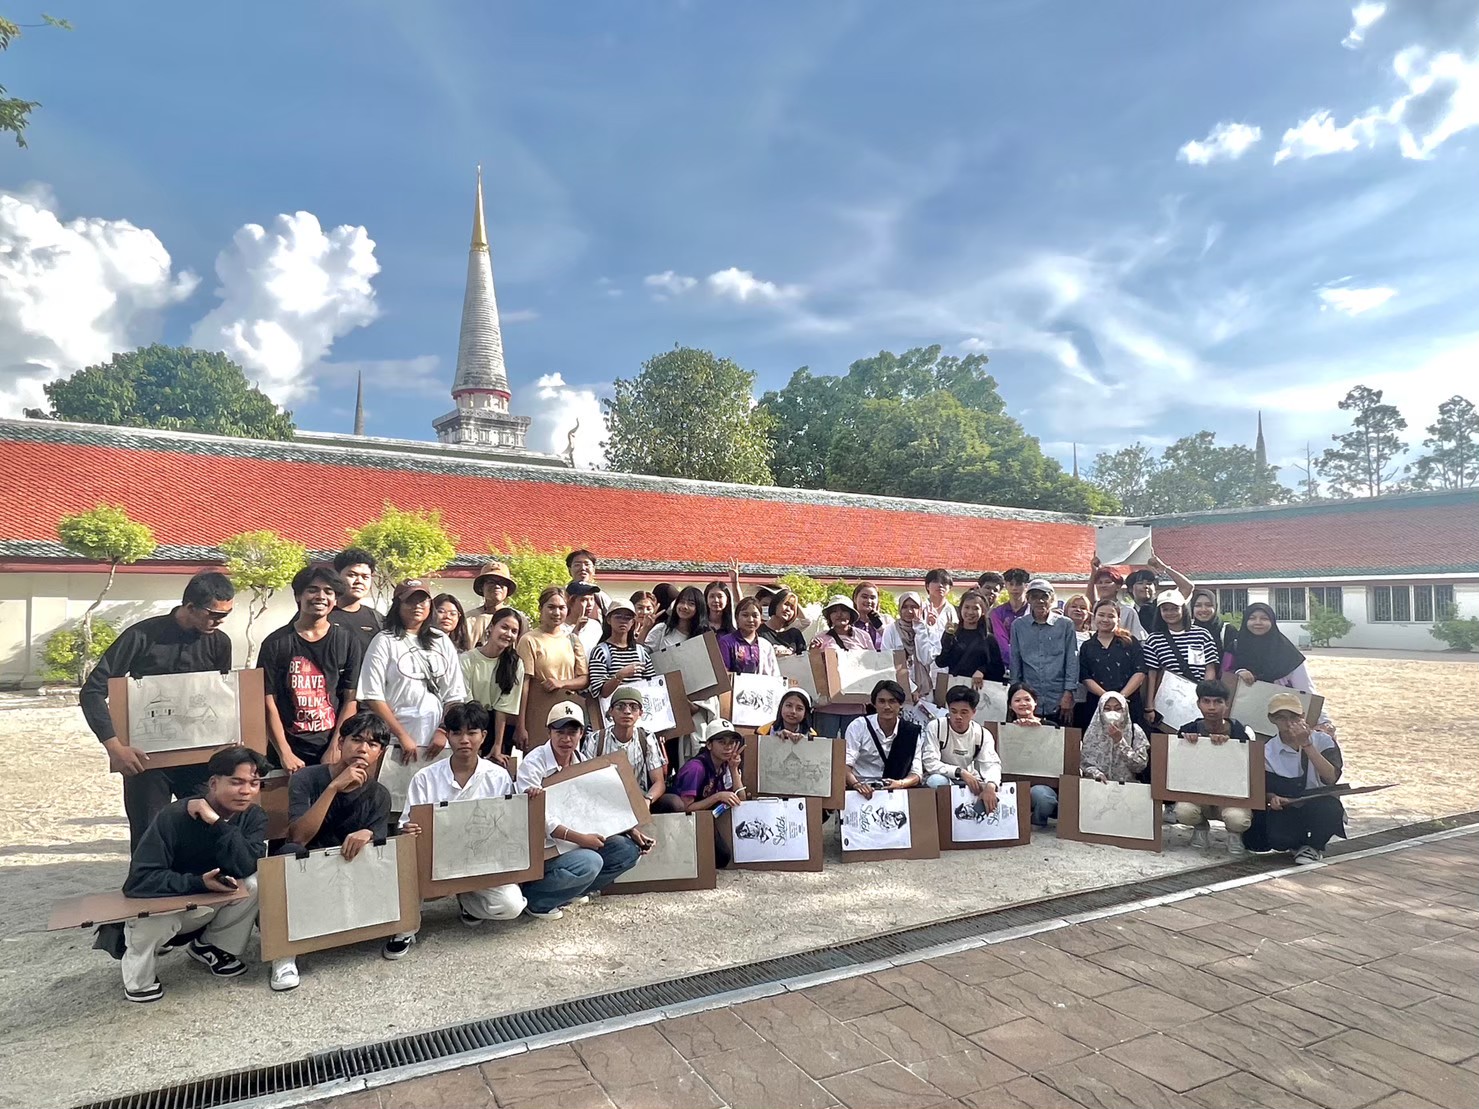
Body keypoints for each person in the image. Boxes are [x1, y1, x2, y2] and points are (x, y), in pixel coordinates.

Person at [80, 570, 236, 852]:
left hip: (198, 757)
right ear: (190, 607)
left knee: (207, 833)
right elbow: (92, 692)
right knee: (148, 838)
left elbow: (219, 696)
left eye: (226, 614)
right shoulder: (142, 635)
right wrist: (115, 748)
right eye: (214, 614)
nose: (220, 620)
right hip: (146, 758)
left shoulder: (220, 642)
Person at [115, 745, 268, 1003]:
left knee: (259, 880)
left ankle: (211, 945)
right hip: (171, 906)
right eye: (236, 782)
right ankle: (139, 976)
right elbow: (139, 881)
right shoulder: (174, 816)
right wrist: (198, 883)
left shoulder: (253, 816)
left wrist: (216, 823)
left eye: (254, 784)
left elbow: (247, 865)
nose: (246, 791)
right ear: (213, 783)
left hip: (211, 902)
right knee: (151, 918)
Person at [275, 711, 398, 990]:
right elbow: (299, 836)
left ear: (380, 752)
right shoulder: (306, 778)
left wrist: (369, 834)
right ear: (341, 742)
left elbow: (381, 849)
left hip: (351, 872)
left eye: (372, 744)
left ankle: (396, 930)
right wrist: (333, 788)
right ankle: (283, 956)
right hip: (310, 870)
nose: (363, 749)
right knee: (288, 853)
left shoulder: (379, 794)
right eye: (356, 740)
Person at [391, 703, 526, 948]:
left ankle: (469, 902)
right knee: (408, 866)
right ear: (449, 736)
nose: (464, 740)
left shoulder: (498, 777)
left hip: (480, 860)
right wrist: (408, 830)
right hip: (434, 859)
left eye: (472, 732)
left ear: (483, 736)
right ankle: (406, 928)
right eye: (457, 733)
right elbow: (405, 824)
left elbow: (507, 826)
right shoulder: (425, 778)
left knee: (510, 905)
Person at [516, 701, 648, 918]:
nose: (566, 739)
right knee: (590, 862)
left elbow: (598, 805)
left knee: (627, 851)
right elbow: (539, 817)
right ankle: (537, 900)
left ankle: (572, 891)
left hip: (578, 840)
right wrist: (580, 839)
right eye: (559, 732)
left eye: (572, 732)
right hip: (545, 847)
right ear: (549, 732)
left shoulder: (582, 762)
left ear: (581, 734)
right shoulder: (532, 764)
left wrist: (630, 830)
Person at [259, 564, 363, 772]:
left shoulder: (347, 641)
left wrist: (336, 746)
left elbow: (350, 698)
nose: (321, 596)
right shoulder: (276, 643)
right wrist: (284, 753)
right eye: (312, 590)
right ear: (298, 596)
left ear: (335, 599)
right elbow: (267, 700)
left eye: (329, 592)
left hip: (330, 747)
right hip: (288, 751)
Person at [358, 579, 467, 768]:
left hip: (438, 743)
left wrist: (443, 730)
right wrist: (401, 735)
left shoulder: (441, 640)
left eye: (422, 601)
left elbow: (454, 695)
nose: (417, 606)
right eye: (410, 601)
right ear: (398, 605)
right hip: (396, 741)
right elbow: (373, 696)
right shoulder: (383, 641)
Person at [1244, 692, 1345, 864]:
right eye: (1282, 718)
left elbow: (1331, 778)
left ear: (1303, 716)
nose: (1289, 723)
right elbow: (1266, 788)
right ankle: (1298, 844)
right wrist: (1273, 798)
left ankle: (1315, 846)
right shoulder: (1268, 751)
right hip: (1289, 806)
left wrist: (1307, 745)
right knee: (1277, 839)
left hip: (1319, 802)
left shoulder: (1323, 741)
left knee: (1330, 809)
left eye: (1294, 717)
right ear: (1272, 719)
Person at [1172, 681, 1255, 854]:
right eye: (1206, 701)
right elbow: (1178, 767)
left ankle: (1234, 834)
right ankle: (1201, 827)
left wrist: (1228, 747)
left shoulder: (1239, 732)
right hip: (1198, 794)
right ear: (1198, 703)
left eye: (1218, 702)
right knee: (1183, 811)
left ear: (1226, 704)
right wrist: (1189, 745)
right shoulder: (1188, 729)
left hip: (1230, 796)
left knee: (1238, 819)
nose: (1212, 707)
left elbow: (1247, 769)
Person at [584, 685, 681, 812]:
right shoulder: (595, 739)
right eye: (620, 706)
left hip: (638, 799)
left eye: (633, 707)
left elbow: (659, 782)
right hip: (603, 800)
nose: (627, 711)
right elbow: (585, 780)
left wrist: (648, 800)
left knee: (674, 803)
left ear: (640, 713)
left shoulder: (646, 737)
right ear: (611, 711)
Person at [516, 587, 589, 753]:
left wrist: (561, 683)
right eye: (551, 607)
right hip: (538, 710)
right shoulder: (529, 640)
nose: (556, 612)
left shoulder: (572, 639)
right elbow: (523, 685)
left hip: (567, 709)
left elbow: (583, 679)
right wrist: (521, 725)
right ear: (541, 609)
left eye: (561, 608)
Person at [673, 719, 747, 867]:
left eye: (731, 742)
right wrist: (718, 796)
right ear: (709, 745)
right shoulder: (696, 768)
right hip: (681, 822)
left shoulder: (725, 765)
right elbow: (685, 808)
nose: (728, 747)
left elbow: (741, 798)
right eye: (722, 742)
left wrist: (733, 768)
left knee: (723, 858)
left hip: (706, 818)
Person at [1143, 589, 1220, 732]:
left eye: (1174, 608)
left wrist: (1205, 696)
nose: (1170, 613)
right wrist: (1150, 706)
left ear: (1183, 609)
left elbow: (1210, 669)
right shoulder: (1153, 640)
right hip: (1167, 701)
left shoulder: (1202, 634)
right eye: (1165, 609)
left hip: (1196, 699)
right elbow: (1152, 674)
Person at [459, 606, 525, 763]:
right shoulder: (467, 659)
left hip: (497, 726)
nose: (508, 634)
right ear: (491, 627)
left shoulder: (515, 664)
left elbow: (504, 707)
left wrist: (497, 745)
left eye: (514, 631)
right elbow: (466, 700)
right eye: (504, 627)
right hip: (468, 721)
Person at [1009, 579, 1079, 725]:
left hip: (1059, 697)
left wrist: (1068, 692)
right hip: (1029, 699)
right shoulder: (1018, 626)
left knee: (1059, 736)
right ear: (1028, 599)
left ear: (1052, 599)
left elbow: (1072, 660)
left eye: (1044, 596)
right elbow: (1015, 661)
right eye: (1034, 597)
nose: (1040, 601)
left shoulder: (1065, 625)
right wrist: (1015, 695)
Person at [920, 685, 1002, 809]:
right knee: (935, 781)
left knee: (993, 790)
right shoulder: (936, 727)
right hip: (945, 777)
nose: (958, 717)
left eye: (964, 712)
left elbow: (991, 764)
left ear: (973, 712)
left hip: (971, 779)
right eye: (953, 711)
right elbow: (930, 762)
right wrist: (960, 772)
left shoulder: (982, 734)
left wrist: (991, 786)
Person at [843, 680, 923, 798]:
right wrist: (857, 785)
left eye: (892, 701)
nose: (887, 707)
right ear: (874, 704)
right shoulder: (858, 726)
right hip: (860, 789)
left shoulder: (911, 731)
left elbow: (917, 773)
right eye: (881, 701)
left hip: (896, 790)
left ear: (900, 704)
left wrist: (900, 784)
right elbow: (845, 765)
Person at [1078, 599, 1149, 730]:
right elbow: (1085, 677)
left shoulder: (1129, 642)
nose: (1105, 619)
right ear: (1094, 617)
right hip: (1097, 704)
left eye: (1111, 616)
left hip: (1129, 702)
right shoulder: (1087, 646)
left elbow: (1140, 671)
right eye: (1101, 615)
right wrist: (1107, 698)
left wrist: (1120, 698)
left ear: (1118, 620)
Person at [1226, 603, 1320, 694]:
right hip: (1242, 703)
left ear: (1272, 622)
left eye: (1264, 618)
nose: (1258, 622)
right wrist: (1238, 673)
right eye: (1252, 618)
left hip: (1280, 702)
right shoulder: (1235, 647)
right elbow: (1224, 674)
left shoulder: (1287, 652)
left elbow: (1305, 689)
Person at [1002, 683, 1059, 827]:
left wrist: (1040, 733)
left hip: (1042, 784)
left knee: (1045, 798)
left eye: (1027, 699)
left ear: (1035, 702)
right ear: (1010, 705)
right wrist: (1015, 732)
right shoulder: (1003, 729)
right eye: (1017, 700)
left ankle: (1036, 821)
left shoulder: (1051, 727)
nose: (1023, 704)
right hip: (1011, 782)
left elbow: (1057, 758)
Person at [586, 599, 657, 710]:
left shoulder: (641, 652)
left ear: (633, 622)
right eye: (618, 617)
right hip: (612, 712)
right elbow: (600, 692)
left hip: (639, 711)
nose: (623, 621)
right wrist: (620, 675)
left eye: (627, 618)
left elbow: (653, 685)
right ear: (609, 620)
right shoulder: (601, 651)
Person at [935, 588, 1007, 690]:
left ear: (983, 611)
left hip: (980, 690)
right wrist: (947, 637)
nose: (970, 612)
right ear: (961, 609)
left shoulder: (989, 639)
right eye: (967, 607)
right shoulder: (952, 634)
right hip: (956, 688)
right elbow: (941, 662)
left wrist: (982, 671)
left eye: (975, 608)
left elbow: (998, 669)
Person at [1078, 691, 1150, 785]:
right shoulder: (1092, 732)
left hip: (1127, 788)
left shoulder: (1135, 731)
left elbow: (1140, 766)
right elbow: (1085, 764)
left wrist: (1120, 742)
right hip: (1098, 788)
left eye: (1118, 708)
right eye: (1107, 709)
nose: (1112, 712)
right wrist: (1096, 774)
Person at [328, 548, 382, 660]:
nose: (359, 581)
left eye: (365, 577)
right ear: (337, 576)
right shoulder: (320, 616)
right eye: (352, 575)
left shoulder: (378, 620)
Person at [881, 592, 931, 708]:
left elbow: (926, 659)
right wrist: (911, 688)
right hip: (898, 690)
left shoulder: (926, 630)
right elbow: (888, 660)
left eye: (914, 607)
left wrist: (920, 629)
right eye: (905, 607)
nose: (909, 611)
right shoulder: (891, 630)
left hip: (924, 690)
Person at [1127, 555, 1196, 634]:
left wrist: (1164, 568)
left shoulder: (1165, 603)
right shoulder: (1127, 613)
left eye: (1149, 583)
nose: (1145, 586)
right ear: (1130, 588)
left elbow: (1187, 587)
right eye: (1140, 583)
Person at [718, 597, 780, 675]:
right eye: (745, 615)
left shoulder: (766, 645)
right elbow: (723, 674)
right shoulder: (726, 642)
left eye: (755, 616)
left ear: (761, 618)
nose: (750, 620)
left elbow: (775, 675)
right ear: (737, 618)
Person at [465, 561, 518, 648]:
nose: (497, 586)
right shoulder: (468, 619)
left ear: (507, 589)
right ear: (482, 587)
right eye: (491, 582)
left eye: (502, 583)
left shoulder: (517, 620)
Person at [1086, 563, 1147, 640]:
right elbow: (1089, 602)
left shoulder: (1127, 611)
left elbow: (1139, 638)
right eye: (1100, 582)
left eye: (1108, 582)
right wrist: (1094, 571)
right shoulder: (1093, 608)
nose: (1103, 585)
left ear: (1118, 586)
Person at [918, 568, 958, 668]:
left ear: (950, 587)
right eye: (935, 581)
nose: (940, 585)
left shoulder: (955, 611)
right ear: (927, 586)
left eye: (944, 582)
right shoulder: (919, 609)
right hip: (922, 664)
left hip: (947, 665)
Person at [989, 568, 1032, 662]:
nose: (1014, 588)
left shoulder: (1032, 611)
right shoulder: (997, 613)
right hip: (1006, 662)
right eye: (1011, 584)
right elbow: (1001, 640)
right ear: (1006, 585)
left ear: (1026, 586)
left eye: (1018, 584)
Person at [1190, 588, 1235, 674]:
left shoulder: (1227, 630)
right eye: (1198, 605)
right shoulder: (1188, 631)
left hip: (1221, 681)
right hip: (1193, 680)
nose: (1203, 609)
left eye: (1208, 605)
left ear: (1215, 606)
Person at [758, 587, 808, 657]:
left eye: (792, 608)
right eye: (786, 604)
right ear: (776, 604)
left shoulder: (795, 634)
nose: (788, 609)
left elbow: (803, 658)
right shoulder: (759, 632)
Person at [565, 581, 604, 655]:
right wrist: (576, 630)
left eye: (592, 599)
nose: (590, 604)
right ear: (571, 601)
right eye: (584, 600)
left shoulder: (595, 626)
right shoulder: (559, 628)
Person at [852, 582, 893, 649]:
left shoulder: (887, 620)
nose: (868, 601)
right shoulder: (849, 622)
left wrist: (880, 626)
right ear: (855, 599)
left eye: (872, 598)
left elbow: (895, 642)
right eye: (864, 597)